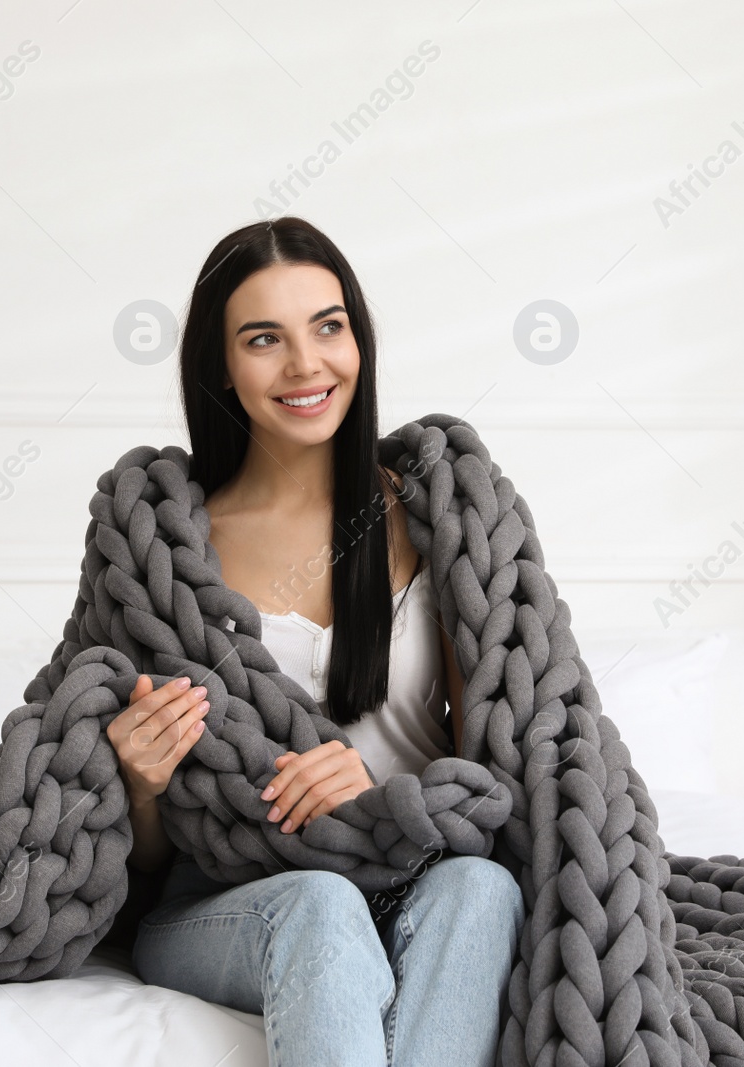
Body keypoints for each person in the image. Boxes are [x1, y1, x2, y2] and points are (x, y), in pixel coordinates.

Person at [107, 217, 524, 1067]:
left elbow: (501, 768)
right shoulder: (165, 545)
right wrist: (140, 784)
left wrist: (381, 786)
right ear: (221, 365)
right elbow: (143, 854)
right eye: (265, 339)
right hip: (225, 899)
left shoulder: (441, 518)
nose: (306, 365)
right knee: (319, 904)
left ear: (357, 341)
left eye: (328, 327)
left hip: (416, 865)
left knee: (485, 887)